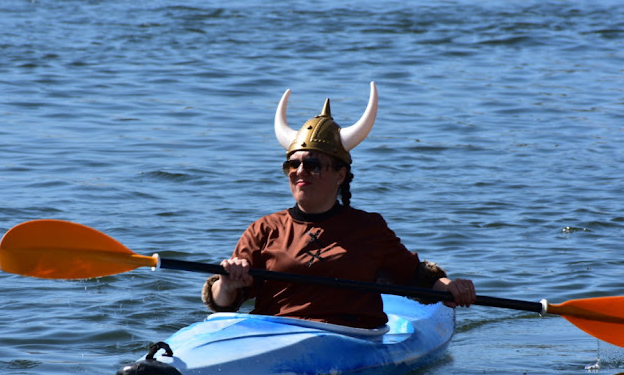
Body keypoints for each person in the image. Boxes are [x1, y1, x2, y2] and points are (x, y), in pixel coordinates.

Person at [202, 82, 476, 328]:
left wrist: (451, 287)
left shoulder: (368, 228)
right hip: (276, 333)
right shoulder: (264, 229)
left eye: (312, 165)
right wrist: (227, 283)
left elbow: (418, 279)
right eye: (292, 164)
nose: (300, 171)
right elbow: (225, 302)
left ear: (340, 175)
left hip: (350, 338)